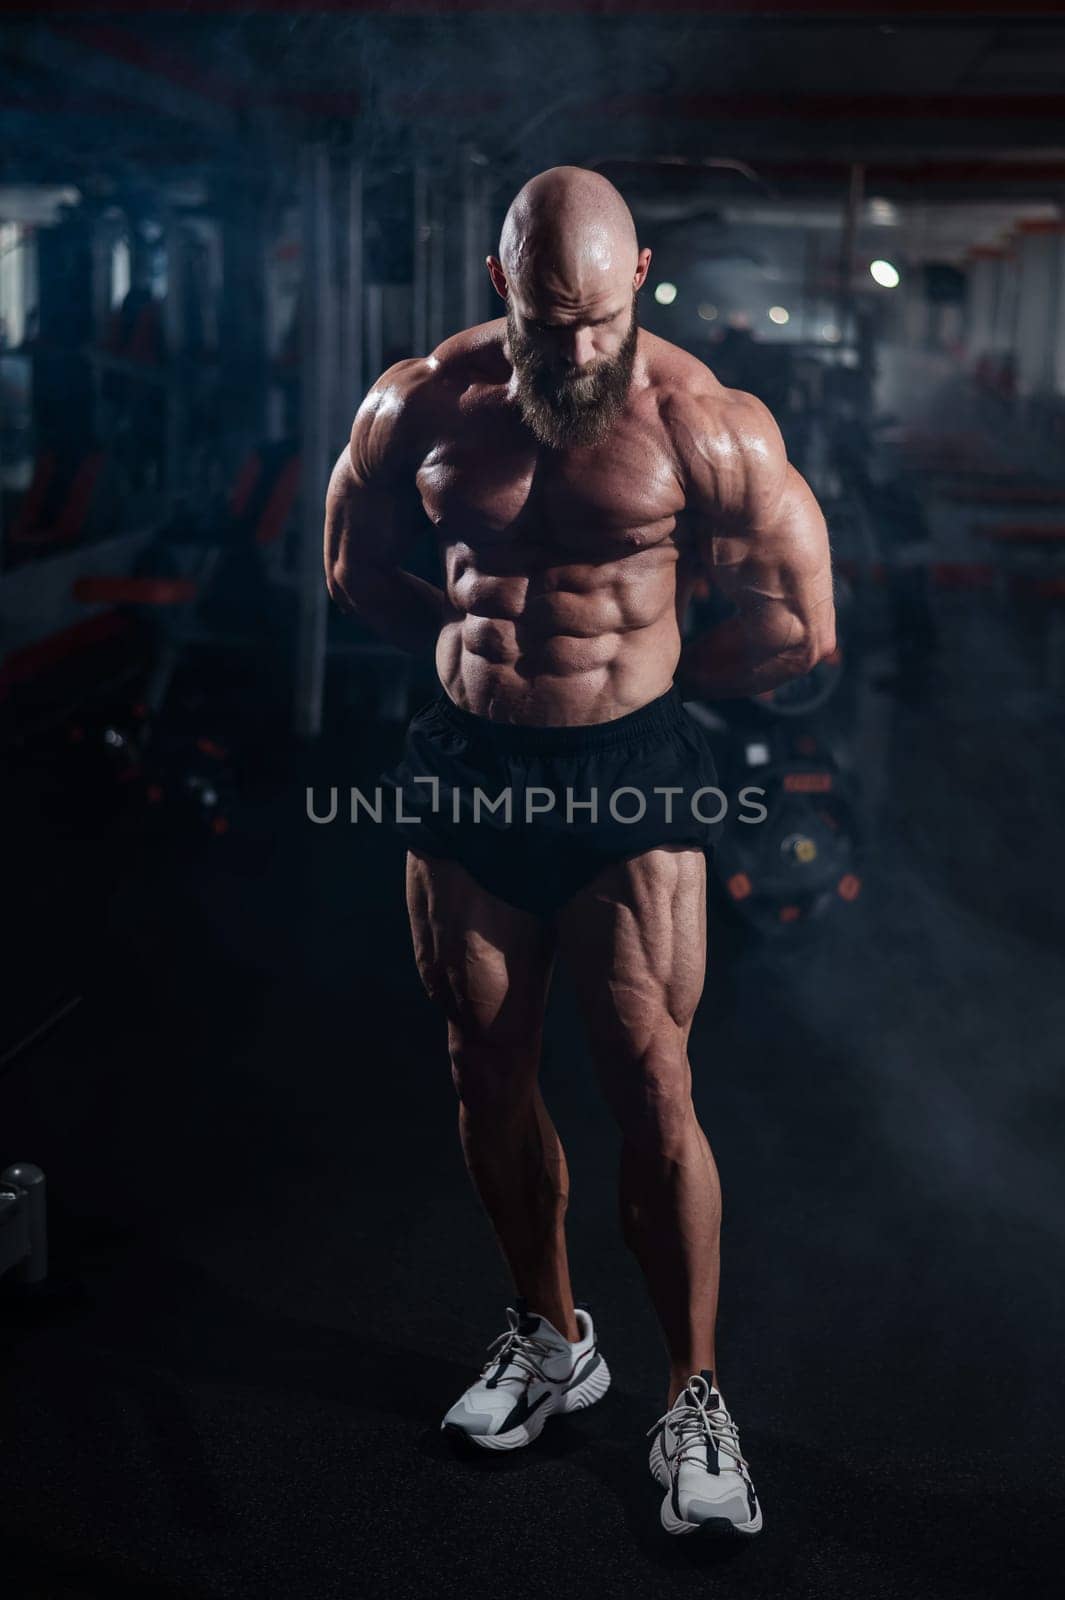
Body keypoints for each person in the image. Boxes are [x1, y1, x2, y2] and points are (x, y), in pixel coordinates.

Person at [324, 166, 835, 1538]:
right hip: (470, 766)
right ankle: (553, 1339)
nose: (576, 351)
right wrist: (461, 665)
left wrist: (642, 692)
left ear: (640, 280)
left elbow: (797, 627)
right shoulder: (420, 401)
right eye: (550, 327)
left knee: (648, 1077)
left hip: (628, 777)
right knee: (480, 1057)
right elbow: (352, 564)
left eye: (598, 322)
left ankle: (692, 1395)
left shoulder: (702, 423)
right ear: (503, 291)